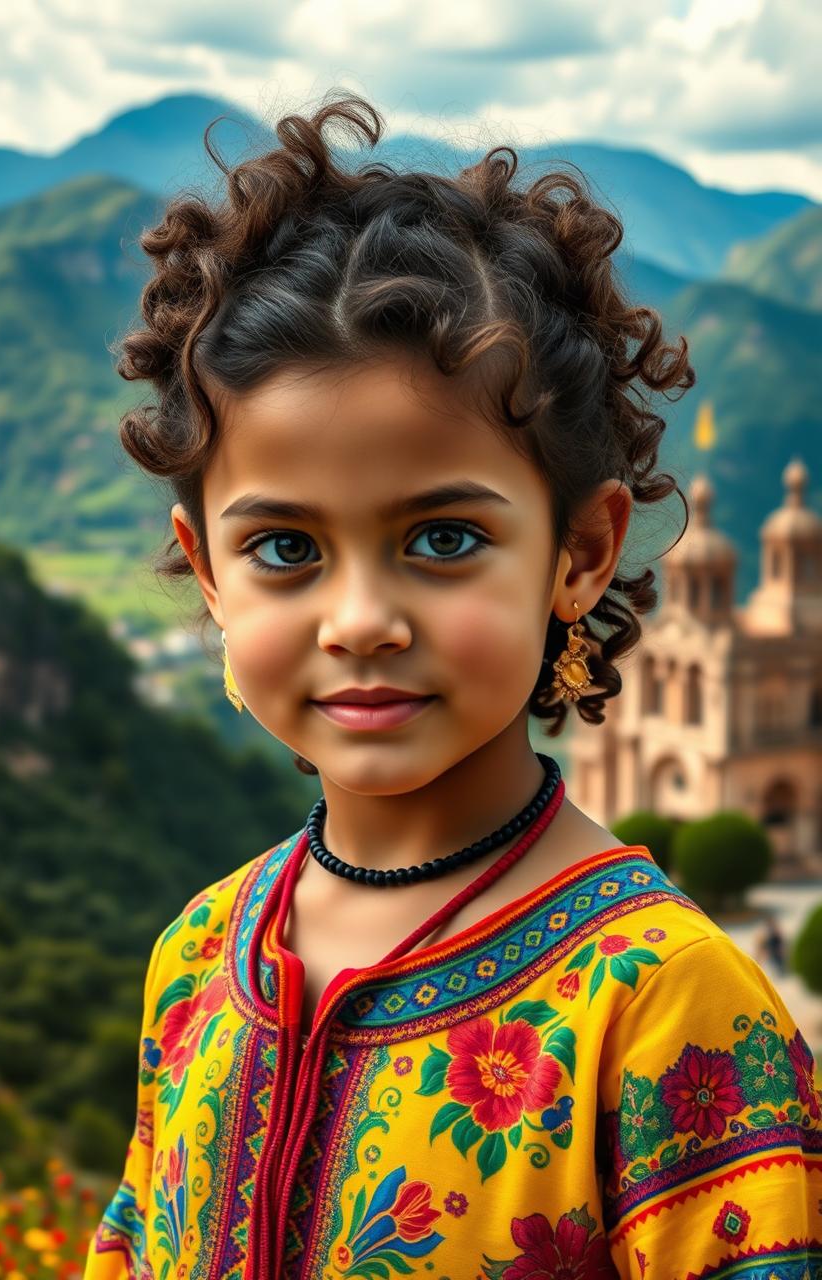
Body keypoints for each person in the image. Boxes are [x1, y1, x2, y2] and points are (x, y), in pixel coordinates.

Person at [83, 91, 822, 1280]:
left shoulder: (666, 1006)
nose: (362, 621)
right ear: (207, 571)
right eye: (284, 548)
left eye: (440, 540)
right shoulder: (198, 958)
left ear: (579, 553)